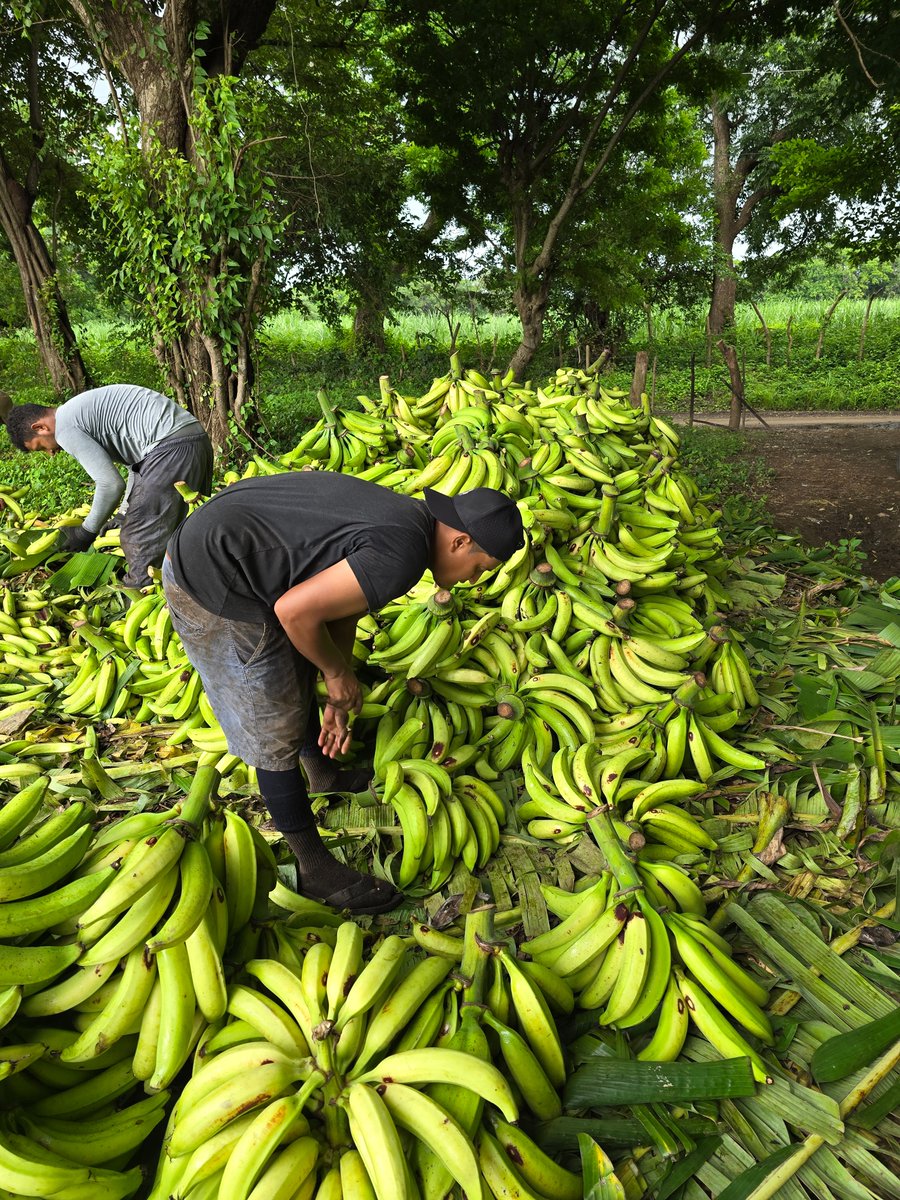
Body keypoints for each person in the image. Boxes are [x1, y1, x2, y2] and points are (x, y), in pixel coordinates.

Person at [162, 472, 524, 914]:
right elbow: (292, 610)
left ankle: (322, 774)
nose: (470, 581)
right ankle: (313, 867)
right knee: (272, 724)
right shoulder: (402, 553)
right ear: (460, 542)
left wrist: (337, 685)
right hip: (215, 581)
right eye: (479, 569)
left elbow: (340, 609)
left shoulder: (408, 519)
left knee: (295, 668)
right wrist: (335, 673)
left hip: (237, 557)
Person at [3, 384, 213, 588]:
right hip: (192, 441)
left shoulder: (65, 427)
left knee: (138, 535)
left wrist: (86, 531)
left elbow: (110, 484)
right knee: (183, 527)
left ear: (40, 427)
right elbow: (138, 466)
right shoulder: (76, 411)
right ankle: (201, 582)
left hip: (172, 449)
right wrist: (123, 513)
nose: (50, 453)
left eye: (41, 447)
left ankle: (138, 595)